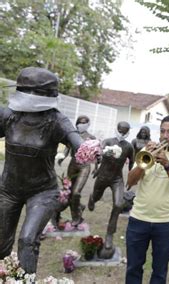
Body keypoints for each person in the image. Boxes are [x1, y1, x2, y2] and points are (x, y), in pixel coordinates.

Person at [0, 67, 83, 273]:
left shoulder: (56, 120)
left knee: (27, 240)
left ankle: (26, 279)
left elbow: (78, 143)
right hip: (8, 189)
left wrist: (89, 149)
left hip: (42, 191)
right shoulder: (8, 116)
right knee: (1, 245)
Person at [125, 115, 169, 283]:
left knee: (159, 272)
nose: (165, 136)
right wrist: (146, 160)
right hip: (139, 219)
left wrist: (167, 164)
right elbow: (130, 182)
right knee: (133, 268)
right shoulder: (147, 151)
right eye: (162, 131)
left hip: (166, 222)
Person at [87, 121, 135, 259]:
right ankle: (92, 198)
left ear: (128, 132)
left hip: (117, 179)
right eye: (120, 130)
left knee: (119, 204)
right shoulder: (107, 141)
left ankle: (109, 235)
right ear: (116, 129)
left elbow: (131, 162)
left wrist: (131, 177)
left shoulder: (129, 147)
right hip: (103, 176)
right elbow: (98, 155)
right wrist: (97, 166)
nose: (121, 133)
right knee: (96, 197)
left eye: (125, 132)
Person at [54, 115, 96, 227]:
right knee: (68, 191)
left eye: (84, 122)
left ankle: (77, 218)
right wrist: (61, 157)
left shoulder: (91, 137)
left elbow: (96, 153)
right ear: (76, 123)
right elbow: (67, 148)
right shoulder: (73, 135)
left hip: (85, 165)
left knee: (76, 192)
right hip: (73, 164)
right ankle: (79, 206)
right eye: (80, 122)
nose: (82, 124)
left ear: (88, 124)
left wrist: (97, 166)